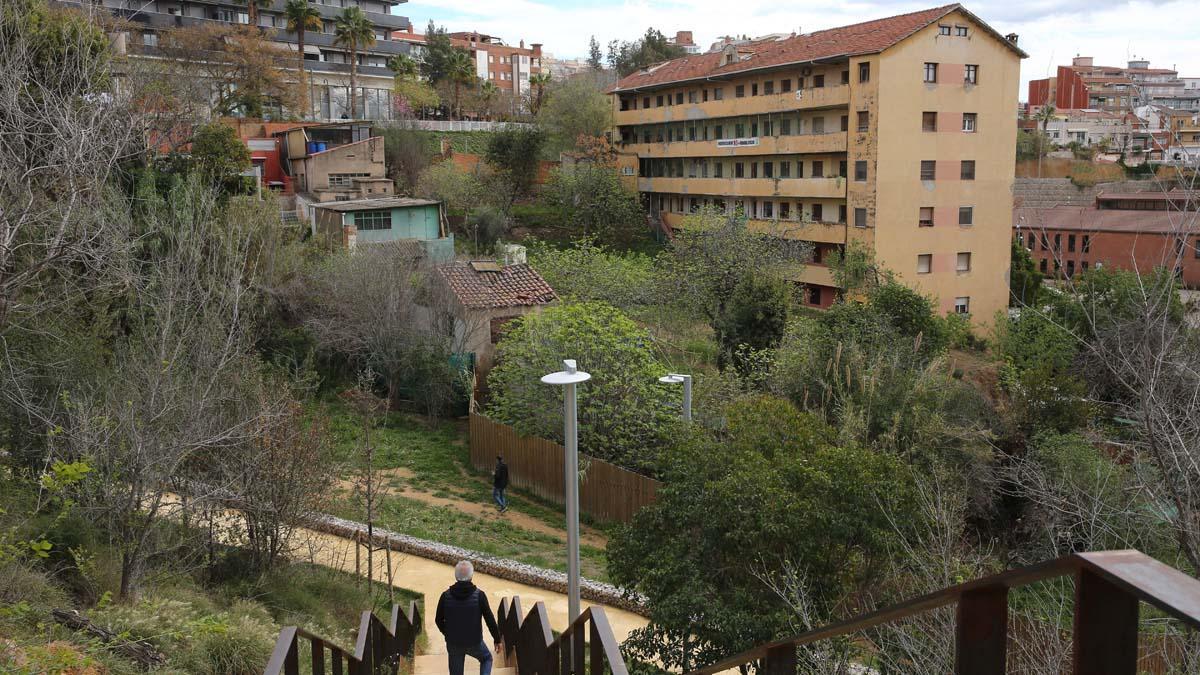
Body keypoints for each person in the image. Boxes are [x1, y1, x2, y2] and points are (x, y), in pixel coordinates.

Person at [435, 561, 501, 675]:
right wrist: (497, 639)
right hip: (474, 642)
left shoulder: (445, 596)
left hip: (453, 643)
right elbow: (489, 619)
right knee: (486, 659)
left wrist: (448, 633)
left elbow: (438, 620)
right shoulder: (479, 595)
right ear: (471, 576)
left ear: (456, 576)